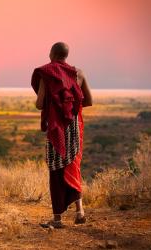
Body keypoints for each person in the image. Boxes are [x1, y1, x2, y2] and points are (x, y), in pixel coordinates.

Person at [31, 42, 93, 228]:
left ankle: (57, 219)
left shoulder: (46, 73)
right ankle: (80, 212)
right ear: (66, 55)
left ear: (52, 54)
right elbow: (89, 100)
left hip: (56, 129)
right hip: (73, 126)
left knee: (56, 171)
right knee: (72, 166)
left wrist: (54, 104)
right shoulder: (79, 73)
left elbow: (40, 104)